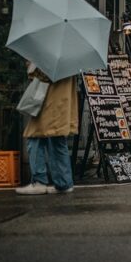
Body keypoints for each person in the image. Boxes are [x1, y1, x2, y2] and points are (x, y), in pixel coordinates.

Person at [16, 64, 78, 195]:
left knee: (35, 136)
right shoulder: (71, 55)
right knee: (57, 139)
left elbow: (45, 74)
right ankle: (64, 183)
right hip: (63, 100)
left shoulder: (52, 54)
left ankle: (39, 182)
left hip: (50, 100)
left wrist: (32, 67)